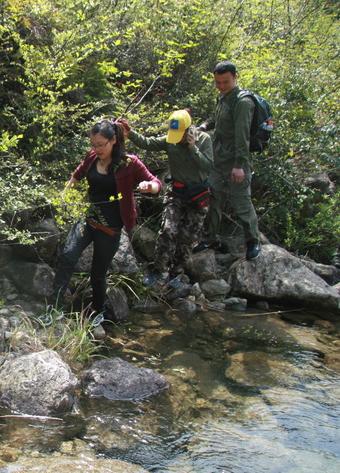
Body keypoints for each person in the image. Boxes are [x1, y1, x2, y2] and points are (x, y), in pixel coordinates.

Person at [39, 120, 162, 328]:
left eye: (101, 144)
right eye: (93, 144)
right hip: (88, 220)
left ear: (113, 140)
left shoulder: (129, 163)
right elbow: (78, 173)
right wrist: (64, 193)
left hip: (110, 229)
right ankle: (54, 309)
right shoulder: (92, 156)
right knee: (68, 256)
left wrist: (148, 186)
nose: (96, 149)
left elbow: (157, 184)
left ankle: (99, 312)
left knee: (98, 274)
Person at [118, 110, 214, 287]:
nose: (178, 138)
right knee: (168, 231)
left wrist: (193, 149)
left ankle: (176, 272)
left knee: (187, 237)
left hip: (197, 195)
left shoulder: (204, 140)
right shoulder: (170, 141)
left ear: (189, 130)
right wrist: (129, 133)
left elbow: (208, 166)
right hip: (176, 193)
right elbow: (147, 143)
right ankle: (157, 270)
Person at [194, 61, 261, 260]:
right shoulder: (223, 98)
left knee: (241, 201)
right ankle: (210, 238)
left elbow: (243, 137)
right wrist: (204, 126)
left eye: (225, 82)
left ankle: (253, 241)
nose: (221, 86)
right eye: (218, 82)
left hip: (236, 161)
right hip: (218, 159)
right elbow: (217, 119)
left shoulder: (242, 102)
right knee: (214, 197)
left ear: (235, 77)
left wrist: (239, 166)